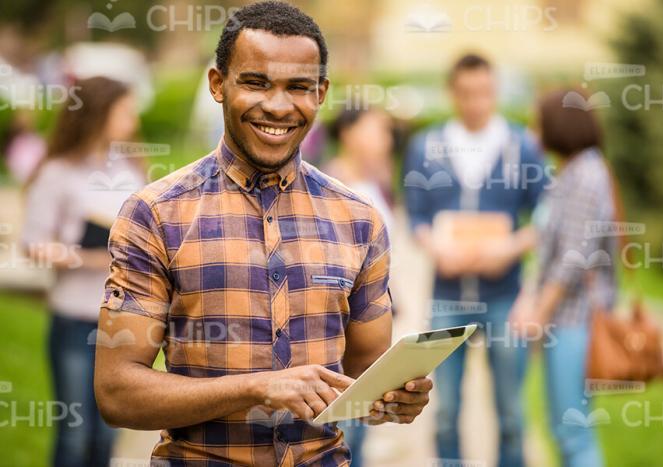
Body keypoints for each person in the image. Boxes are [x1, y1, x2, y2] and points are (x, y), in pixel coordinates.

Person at [93, 3, 432, 466]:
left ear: (321, 92)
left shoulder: (360, 219)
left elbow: (363, 375)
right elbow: (117, 393)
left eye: (298, 87)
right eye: (255, 83)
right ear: (218, 84)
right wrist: (258, 386)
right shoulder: (156, 214)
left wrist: (396, 397)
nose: (277, 105)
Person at [402, 54, 548, 467]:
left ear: (495, 90)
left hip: (505, 295)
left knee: (512, 413)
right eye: (466, 93)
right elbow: (416, 215)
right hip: (447, 297)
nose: (475, 102)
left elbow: (544, 215)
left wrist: (512, 247)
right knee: (445, 412)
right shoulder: (426, 146)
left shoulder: (522, 145)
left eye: (483, 93)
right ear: (452, 92)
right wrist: (435, 248)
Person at [22, 76, 143, 467]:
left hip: (121, 323)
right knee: (74, 436)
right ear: (98, 113)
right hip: (74, 319)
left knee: (107, 433)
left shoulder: (131, 169)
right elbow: (32, 243)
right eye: (124, 110)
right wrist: (88, 255)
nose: (132, 118)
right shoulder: (59, 172)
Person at [509, 89, 616, 467]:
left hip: (576, 320)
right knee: (563, 427)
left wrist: (539, 312)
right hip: (565, 320)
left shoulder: (586, 174)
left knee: (574, 432)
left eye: (536, 122)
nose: (532, 131)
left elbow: (573, 258)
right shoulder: (572, 171)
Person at [322, 107, 397, 466]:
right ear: (349, 134)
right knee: (347, 424)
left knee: (365, 414)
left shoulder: (378, 180)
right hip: (344, 322)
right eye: (376, 131)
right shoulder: (331, 186)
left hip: (375, 312)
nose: (386, 140)